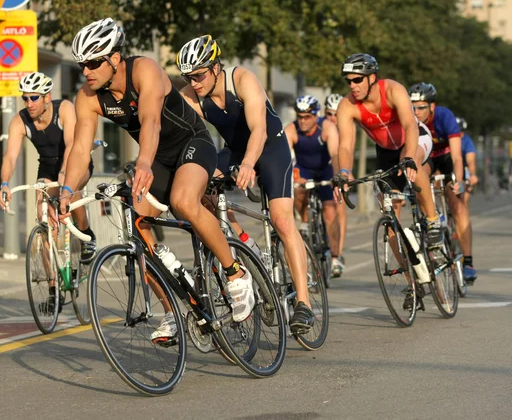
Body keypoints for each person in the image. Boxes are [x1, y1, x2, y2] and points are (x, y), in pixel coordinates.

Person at [62, 19, 256, 341]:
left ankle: (235, 273)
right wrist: (68, 192)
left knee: (183, 201)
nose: (87, 71)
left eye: (94, 62)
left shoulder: (144, 70)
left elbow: (150, 121)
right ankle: (172, 311)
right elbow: (81, 150)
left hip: (191, 144)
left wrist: (143, 163)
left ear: (114, 58)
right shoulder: (89, 97)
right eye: (82, 65)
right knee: (136, 232)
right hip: (156, 160)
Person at [177, 34, 314, 332]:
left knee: (281, 219)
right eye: (188, 77)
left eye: (199, 74)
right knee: (202, 191)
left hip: (270, 146)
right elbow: (189, 135)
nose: (194, 82)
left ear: (215, 67)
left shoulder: (242, 79)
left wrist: (250, 164)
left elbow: (259, 128)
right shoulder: (192, 94)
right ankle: (241, 237)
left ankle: (304, 303)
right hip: (235, 151)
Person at [333, 53, 441, 253]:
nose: (352, 86)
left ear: (372, 78)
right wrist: (344, 172)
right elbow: (346, 145)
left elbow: (410, 125)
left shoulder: (393, 90)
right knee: (390, 215)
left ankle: (433, 221)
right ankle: (412, 280)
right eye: (348, 81)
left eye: (357, 80)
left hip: (414, 139)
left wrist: (408, 157)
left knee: (412, 162)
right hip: (385, 151)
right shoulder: (347, 106)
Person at [0, 72, 97, 264]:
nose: (29, 103)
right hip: (47, 166)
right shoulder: (19, 121)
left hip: (74, 161)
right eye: (25, 98)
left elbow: (71, 144)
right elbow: (10, 156)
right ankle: (52, 281)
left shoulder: (64, 109)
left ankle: (86, 234)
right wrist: (4, 183)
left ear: (47, 97)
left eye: (34, 97)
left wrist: (64, 174)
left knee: (71, 188)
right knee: (42, 211)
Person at [408, 83, 476, 283]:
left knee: (457, 203)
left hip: (446, 158)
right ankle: (432, 224)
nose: (416, 112)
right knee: (419, 181)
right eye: (413, 107)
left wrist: (459, 181)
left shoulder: (445, 117)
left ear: (432, 106)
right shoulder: (409, 119)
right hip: (427, 157)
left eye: (421, 107)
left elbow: (457, 157)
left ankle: (468, 261)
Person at [285, 95, 346, 277]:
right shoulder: (291, 130)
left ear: (315, 115)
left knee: (329, 210)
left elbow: (335, 154)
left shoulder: (327, 127)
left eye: (307, 117)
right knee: (298, 189)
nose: (303, 121)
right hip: (304, 169)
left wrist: (337, 176)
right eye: (300, 116)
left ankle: (335, 257)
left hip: (326, 169)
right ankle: (304, 222)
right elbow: (286, 158)